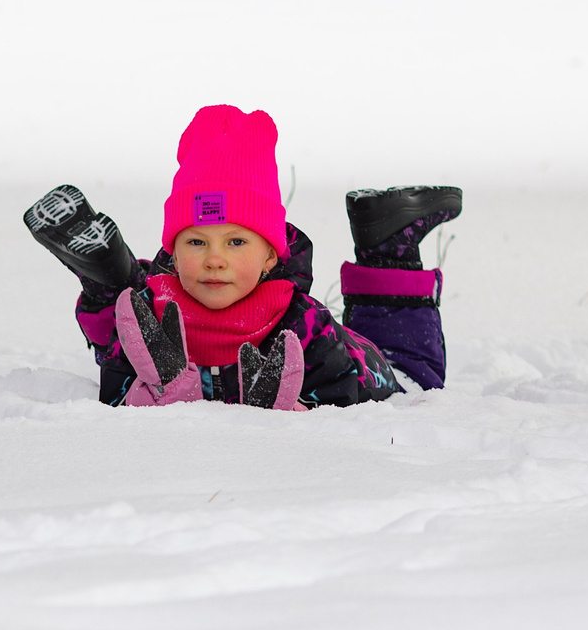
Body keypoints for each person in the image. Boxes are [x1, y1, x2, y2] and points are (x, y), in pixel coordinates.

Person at [23, 104, 459, 409]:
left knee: (415, 378)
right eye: (196, 243)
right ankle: (110, 283)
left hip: (379, 371)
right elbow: (116, 389)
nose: (215, 260)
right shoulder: (152, 316)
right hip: (151, 307)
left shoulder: (301, 325)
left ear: (270, 256)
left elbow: (356, 404)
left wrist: (292, 412)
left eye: (236, 243)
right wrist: (157, 395)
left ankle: (389, 246)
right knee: (130, 314)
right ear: (172, 252)